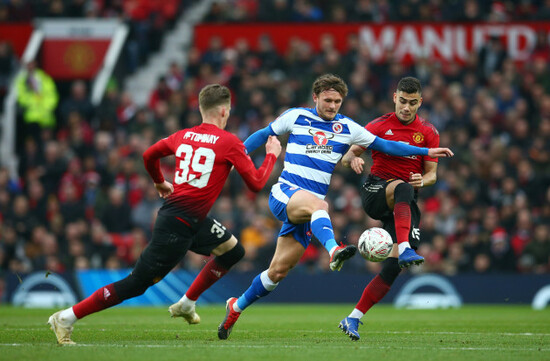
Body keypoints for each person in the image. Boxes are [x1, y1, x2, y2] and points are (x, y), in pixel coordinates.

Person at [217, 74, 453, 340]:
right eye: (327, 100)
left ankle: (235, 306)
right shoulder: (295, 116)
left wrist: (425, 153)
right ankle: (334, 250)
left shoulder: (349, 128)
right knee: (321, 204)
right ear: (315, 97)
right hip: (286, 194)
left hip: (308, 211)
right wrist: (232, 159)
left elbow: (387, 145)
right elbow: (262, 135)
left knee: (276, 273)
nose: (332, 106)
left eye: (337, 101)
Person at [47, 84, 282, 345]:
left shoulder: (183, 135)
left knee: (233, 252)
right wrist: (271, 156)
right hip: (178, 225)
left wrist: (159, 181)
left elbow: (149, 155)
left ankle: (187, 302)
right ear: (225, 111)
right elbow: (257, 183)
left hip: (190, 219)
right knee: (135, 284)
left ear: (201, 109)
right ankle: (66, 317)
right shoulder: (229, 142)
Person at [338, 76, 443, 341]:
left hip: (404, 204)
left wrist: (424, 179)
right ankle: (406, 248)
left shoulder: (429, 132)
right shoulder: (377, 125)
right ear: (395, 97)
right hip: (376, 191)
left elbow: (432, 175)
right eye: (402, 101)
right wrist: (353, 160)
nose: (406, 108)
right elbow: (350, 154)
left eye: (412, 103)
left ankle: (353, 318)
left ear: (420, 102)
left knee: (393, 268)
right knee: (404, 188)